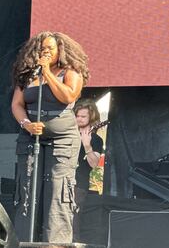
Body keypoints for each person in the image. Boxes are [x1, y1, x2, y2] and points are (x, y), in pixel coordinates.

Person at [11, 31, 89, 243]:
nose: (45, 52)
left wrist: (47, 73)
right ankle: (25, 242)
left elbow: (68, 96)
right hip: (30, 137)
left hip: (62, 140)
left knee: (57, 192)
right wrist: (26, 124)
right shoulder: (27, 75)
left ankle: (55, 244)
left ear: (60, 51)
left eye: (50, 49)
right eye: (41, 49)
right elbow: (17, 104)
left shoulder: (70, 71)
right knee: (27, 191)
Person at [72, 99, 104, 242]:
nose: (79, 119)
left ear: (91, 117)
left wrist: (87, 145)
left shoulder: (96, 139)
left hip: (79, 183)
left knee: (74, 218)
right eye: (77, 116)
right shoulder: (68, 135)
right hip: (61, 178)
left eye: (83, 116)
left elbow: (94, 164)